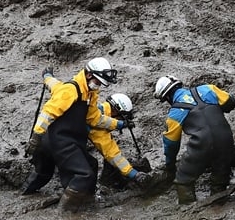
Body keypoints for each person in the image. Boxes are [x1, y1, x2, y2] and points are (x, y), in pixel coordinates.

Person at [23, 67, 151, 198]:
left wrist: (47, 75)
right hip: (62, 146)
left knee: (42, 173)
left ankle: (23, 195)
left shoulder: (71, 89)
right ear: (115, 112)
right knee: (85, 172)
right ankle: (75, 204)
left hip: (44, 140)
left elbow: (54, 84)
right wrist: (133, 173)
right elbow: (113, 154)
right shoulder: (96, 122)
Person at [23, 59, 120, 211]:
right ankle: (64, 212)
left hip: (59, 141)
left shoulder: (89, 93)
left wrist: (118, 124)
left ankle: (84, 198)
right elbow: (47, 112)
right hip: (59, 141)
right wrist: (35, 138)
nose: (98, 86)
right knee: (84, 174)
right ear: (88, 75)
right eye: (97, 82)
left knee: (45, 172)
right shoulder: (70, 90)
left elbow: (94, 118)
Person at [154, 75, 235, 204]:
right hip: (226, 137)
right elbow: (230, 102)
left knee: (183, 180)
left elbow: (171, 144)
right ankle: (219, 205)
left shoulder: (175, 113)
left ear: (167, 97)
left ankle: (189, 210)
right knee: (220, 176)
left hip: (201, 144)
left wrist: (170, 165)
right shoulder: (208, 89)